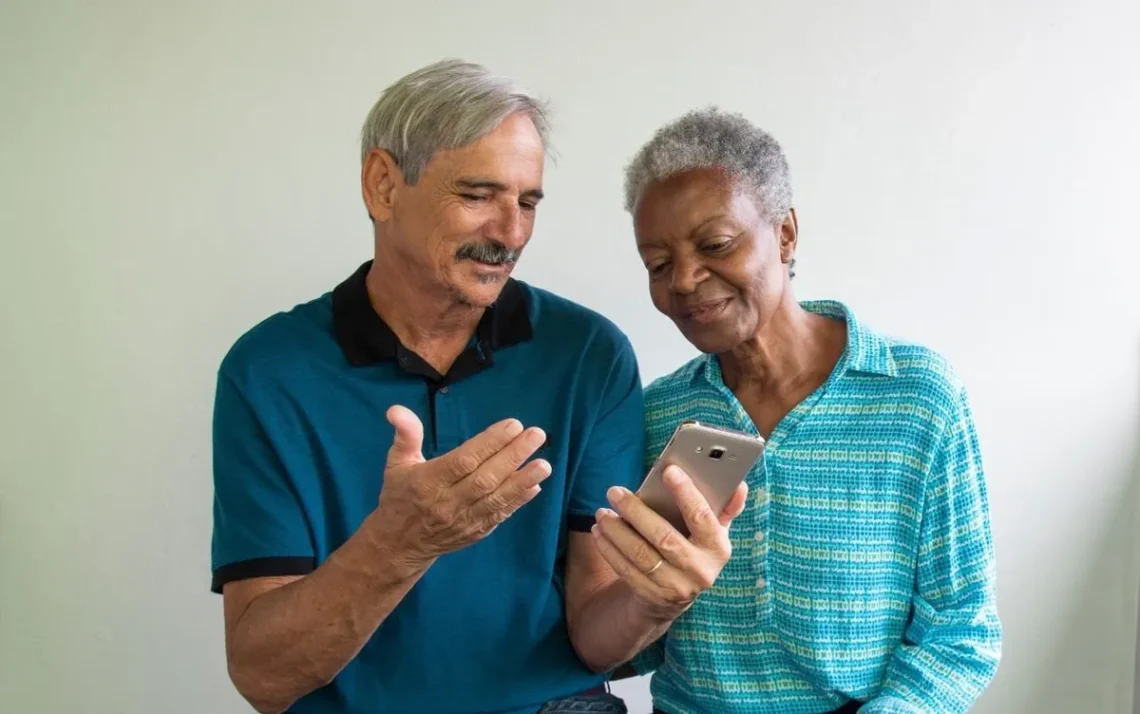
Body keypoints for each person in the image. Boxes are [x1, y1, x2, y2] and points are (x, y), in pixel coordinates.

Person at [209, 59, 744, 714]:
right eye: (477, 195)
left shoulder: (588, 355)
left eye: (527, 202)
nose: (511, 234)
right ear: (382, 186)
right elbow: (264, 678)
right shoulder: (268, 371)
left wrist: (659, 597)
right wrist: (401, 542)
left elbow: (595, 640)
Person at [606, 107, 1002, 713]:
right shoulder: (660, 414)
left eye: (714, 244)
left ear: (785, 233)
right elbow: (635, 645)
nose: (683, 280)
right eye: (658, 265)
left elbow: (962, 630)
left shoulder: (916, 397)